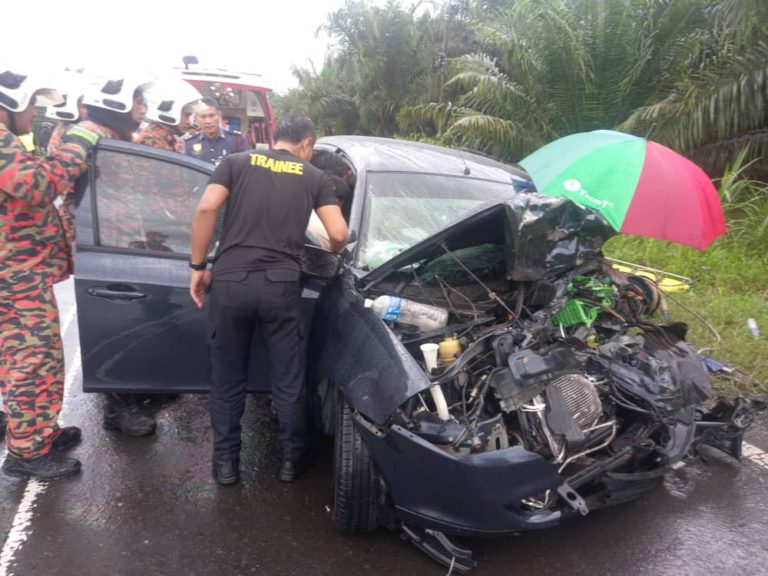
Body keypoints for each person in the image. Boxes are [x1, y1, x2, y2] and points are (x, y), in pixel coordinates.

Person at [189, 116, 348, 485]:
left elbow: (206, 209)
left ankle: (227, 465)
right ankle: (292, 461)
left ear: (275, 138)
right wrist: (333, 251)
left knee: (228, 378)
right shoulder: (314, 177)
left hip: (230, 281)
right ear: (306, 143)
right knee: (288, 377)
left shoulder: (235, 162)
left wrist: (198, 265)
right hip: (281, 285)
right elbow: (338, 233)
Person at [1, 68, 101, 479]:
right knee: (33, 361)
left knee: (23, 359)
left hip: (19, 273)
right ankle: (26, 453)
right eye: (30, 106)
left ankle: (37, 432)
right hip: (15, 277)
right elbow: (37, 186)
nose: (34, 115)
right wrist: (78, 142)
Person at [77, 76, 160, 437]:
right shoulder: (92, 136)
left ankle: (132, 391)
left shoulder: (116, 138)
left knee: (133, 324)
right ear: (118, 104)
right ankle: (117, 407)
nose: (143, 109)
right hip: (107, 246)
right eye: (138, 102)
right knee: (116, 326)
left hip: (125, 240)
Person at [135, 81, 202, 151]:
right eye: (187, 115)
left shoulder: (165, 136)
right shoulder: (153, 139)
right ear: (172, 112)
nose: (190, 122)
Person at [184, 97, 247, 164]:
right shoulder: (190, 143)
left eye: (212, 116)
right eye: (203, 117)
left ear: (219, 115)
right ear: (196, 118)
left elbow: (245, 167)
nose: (208, 121)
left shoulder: (237, 140)